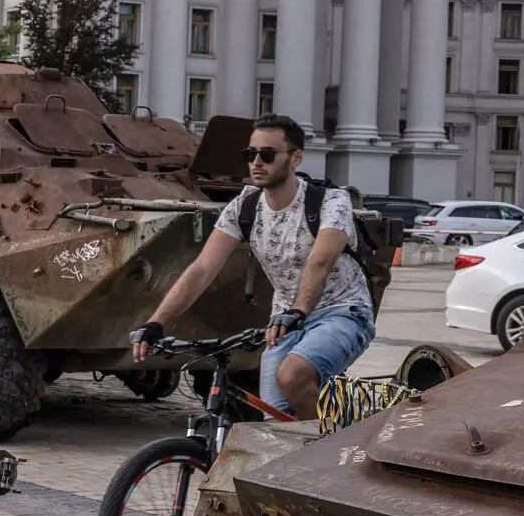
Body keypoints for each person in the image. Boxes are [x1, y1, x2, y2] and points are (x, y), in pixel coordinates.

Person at [129, 113, 374, 419]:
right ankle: (313, 449)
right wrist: (156, 322)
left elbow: (320, 261)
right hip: (283, 324)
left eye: (267, 155)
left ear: (295, 158)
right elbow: (202, 269)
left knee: (293, 376)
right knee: (274, 419)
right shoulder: (244, 207)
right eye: (251, 154)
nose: (257, 162)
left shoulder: (331, 202)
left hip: (343, 312)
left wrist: (298, 311)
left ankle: (334, 451)